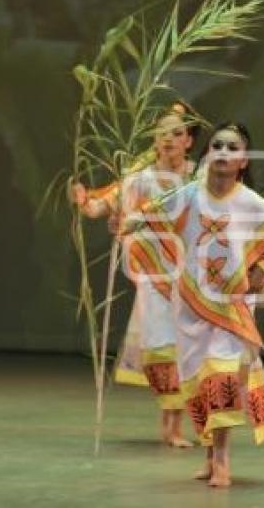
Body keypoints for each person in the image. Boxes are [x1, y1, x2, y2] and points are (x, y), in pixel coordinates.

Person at [125, 122, 264, 487]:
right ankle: (208, 457)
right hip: (189, 305)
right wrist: (126, 222)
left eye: (231, 148)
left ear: (243, 160)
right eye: (217, 145)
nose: (222, 151)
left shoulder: (249, 201)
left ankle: (222, 460)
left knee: (221, 377)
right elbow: (147, 216)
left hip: (229, 307)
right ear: (207, 154)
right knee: (197, 381)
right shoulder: (189, 194)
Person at [71, 101, 199, 447]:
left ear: (188, 140)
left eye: (177, 132)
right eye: (162, 133)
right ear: (154, 140)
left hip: (190, 278)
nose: (168, 138)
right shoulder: (138, 180)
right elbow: (101, 206)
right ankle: (170, 425)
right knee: (162, 346)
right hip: (152, 281)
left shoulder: (197, 178)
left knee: (191, 350)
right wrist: (85, 200)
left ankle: (189, 421)